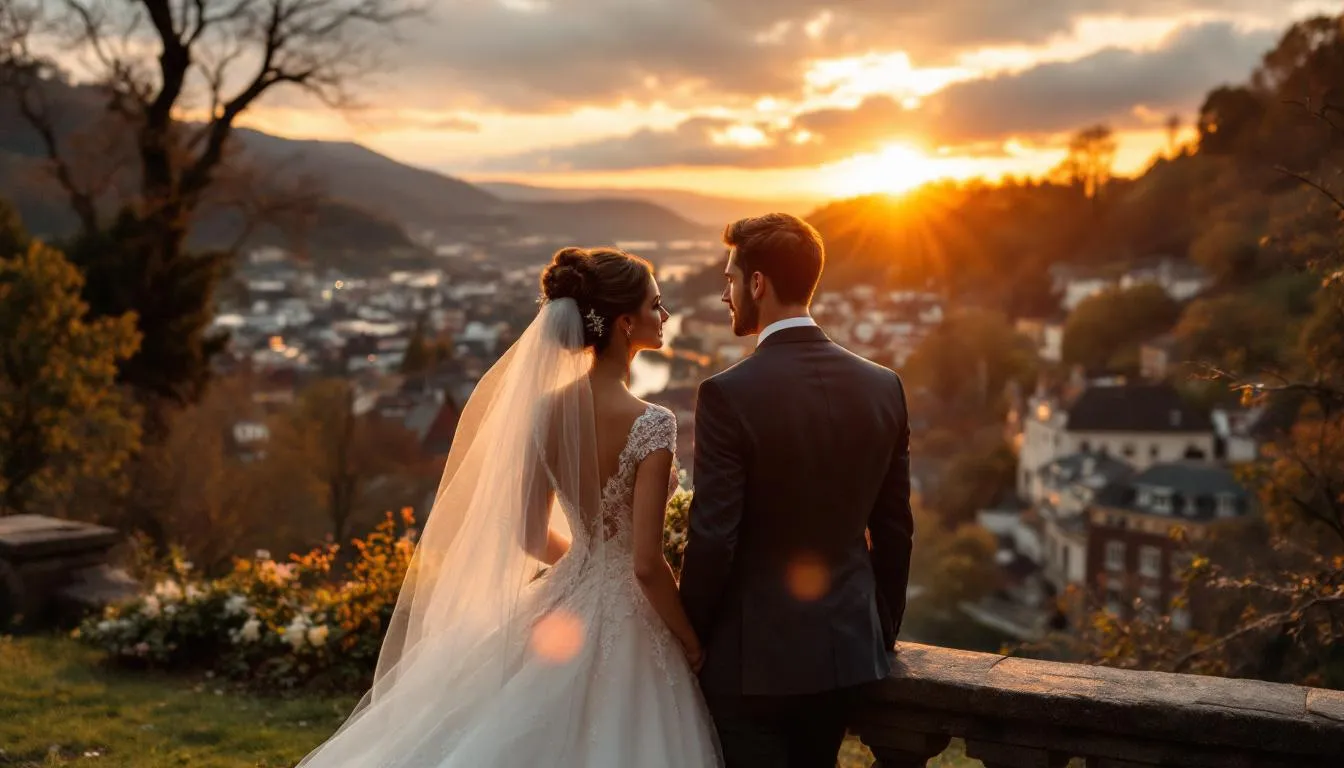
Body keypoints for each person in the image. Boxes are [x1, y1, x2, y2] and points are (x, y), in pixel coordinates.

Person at [297, 247, 721, 767]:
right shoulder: (652, 423)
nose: (666, 316)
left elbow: (530, 535)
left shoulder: (543, 412)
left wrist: (586, 561)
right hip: (630, 616)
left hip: (567, 598)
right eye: (657, 305)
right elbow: (647, 564)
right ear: (624, 323)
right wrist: (692, 643)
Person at [680, 213, 915, 768]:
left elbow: (713, 539)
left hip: (752, 664)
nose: (725, 294)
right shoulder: (884, 385)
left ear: (757, 284)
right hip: (847, 657)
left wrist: (688, 638)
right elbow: (895, 529)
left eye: (731, 278)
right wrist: (881, 629)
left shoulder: (726, 395)